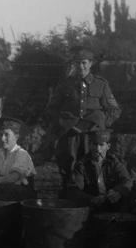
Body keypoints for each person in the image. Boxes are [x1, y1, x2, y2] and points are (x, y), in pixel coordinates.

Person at [45, 46, 121, 187]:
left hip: (92, 134)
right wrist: (61, 125)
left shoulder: (101, 84)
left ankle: (91, 192)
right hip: (70, 132)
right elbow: (51, 109)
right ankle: (68, 191)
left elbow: (114, 110)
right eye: (77, 62)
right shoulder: (65, 84)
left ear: (91, 63)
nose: (80, 66)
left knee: (91, 163)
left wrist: (100, 124)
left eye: (84, 62)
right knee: (67, 161)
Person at [66, 128, 133, 212]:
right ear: (90, 145)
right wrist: (92, 199)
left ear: (108, 146)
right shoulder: (81, 164)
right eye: (94, 144)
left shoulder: (114, 162)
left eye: (101, 145)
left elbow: (127, 181)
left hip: (114, 206)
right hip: (91, 208)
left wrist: (118, 192)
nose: (97, 149)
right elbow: (74, 190)